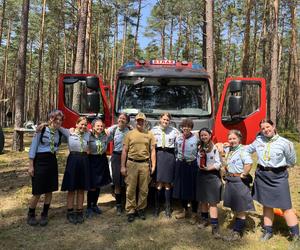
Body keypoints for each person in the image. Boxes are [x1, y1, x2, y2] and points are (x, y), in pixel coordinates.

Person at [246, 119, 299, 242]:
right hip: (262, 175)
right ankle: (268, 231)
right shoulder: (258, 141)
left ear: (273, 126)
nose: (266, 130)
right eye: (263, 128)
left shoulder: (285, 143)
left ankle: (296, 236)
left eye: (268, 127)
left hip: (278, 177)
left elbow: (292, 161)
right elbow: (247, 149)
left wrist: (279, 168)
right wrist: (231, 146)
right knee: (267, 204)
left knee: (286, 206)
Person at [27, 110, 64, 226]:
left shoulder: (59, 133)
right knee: (37, 191)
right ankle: (31, 214)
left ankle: (45, 214)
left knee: (49, 190)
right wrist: (31, 165)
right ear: (51, 119)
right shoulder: (41, 130)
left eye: (60, 119)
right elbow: (33, 147)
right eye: (56, 119)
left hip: (52, 161)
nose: (58, 121)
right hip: (40, 161)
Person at [219, 129, 255, 241]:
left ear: (239, 139)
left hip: (239, 181)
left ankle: (237, 233)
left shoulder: (242, 150)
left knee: (240, 208)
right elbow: (216, 145)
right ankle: (236, 227)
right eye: (230, 138)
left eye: (234, 138)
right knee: (235, 206)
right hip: (230, 180)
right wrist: (221, 145)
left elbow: (249, 163)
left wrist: (244, 174)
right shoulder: (230, 149)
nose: (232, 140)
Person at [121, 112, 156, 223]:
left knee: (144, 189)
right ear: (135, 121)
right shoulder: (129, 134)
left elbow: (153, 151)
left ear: (145, 122)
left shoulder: (150, 134)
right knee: (130, 189)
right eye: (138, 120)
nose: (140, 122)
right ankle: (131, 211)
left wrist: (153, 165)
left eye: (142, 120)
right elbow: (124, 151)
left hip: (145, 164)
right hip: (131, 164)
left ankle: (141, 209)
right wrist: (122, 166)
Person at [61, 116, 90, 224]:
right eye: (81, 124)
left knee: (81, 188)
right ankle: (70, 212)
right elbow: (57, 126)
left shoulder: (88, 133)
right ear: (76, 124)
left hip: (84, 160)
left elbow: (100, 131)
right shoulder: (69, 133)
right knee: (71, 188)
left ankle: (79, 211)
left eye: (85, 124)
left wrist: (128, 126)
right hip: (73, 160)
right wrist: (42, 125)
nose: (83, 126)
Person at [195, 128, 222, 238]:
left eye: (205, 135)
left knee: (212, 202)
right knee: (203, 200)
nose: (203, 137)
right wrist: (200, 165)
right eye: (201, 135)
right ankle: (204, 220)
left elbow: (218, 163)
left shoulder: (215, 148)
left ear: (210, 135)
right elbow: (197, 160)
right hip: (201, 175)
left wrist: (209, 168)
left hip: (212, 176)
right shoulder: (200, 147)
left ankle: (215, 226)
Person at [151, 113, 179, 218]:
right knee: (158, 183)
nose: (165, 121)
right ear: (160, 119)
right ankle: (157, 208)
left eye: (167, 120)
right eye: (164, 119)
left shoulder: (174, 131)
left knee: (167, 184)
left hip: (169, 156)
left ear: (170, 121)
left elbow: (182, 139)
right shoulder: (153, 131)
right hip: (158, 156)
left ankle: (168, 207)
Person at [173, 118, 199, 220]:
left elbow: (201, 150)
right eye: (184, 126)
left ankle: (194, 213)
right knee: (181, 189)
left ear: (191, 128)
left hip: (191, 165)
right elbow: (176, 150)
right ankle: (184, 211)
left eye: (188, 126)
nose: (186, 128)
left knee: (193, 189)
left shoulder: (196, 138)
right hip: (181, 164)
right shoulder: (178, 138)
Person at [86, 119, 112, 218]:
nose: (100, 128)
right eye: (98, 126)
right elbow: (76, 130)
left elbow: (116, 127)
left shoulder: (105, 135)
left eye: (101, 126)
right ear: (93, 127)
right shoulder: (88, 135)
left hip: (102, 160)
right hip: (92, 160)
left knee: (99, 184)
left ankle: (94, 205)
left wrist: (130, 127)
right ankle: (88, 207)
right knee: (92, 185)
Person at [106, 113, 131, 215]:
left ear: (127, 121)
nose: (121, 120)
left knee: (127, 182)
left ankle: (127, 204)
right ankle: (118, 205)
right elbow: (105, 136)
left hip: (128, 157)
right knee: (117, 182)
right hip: (116, 156)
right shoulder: (114, 129)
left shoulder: (130, 131)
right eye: (120, 118)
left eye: (124, 119)